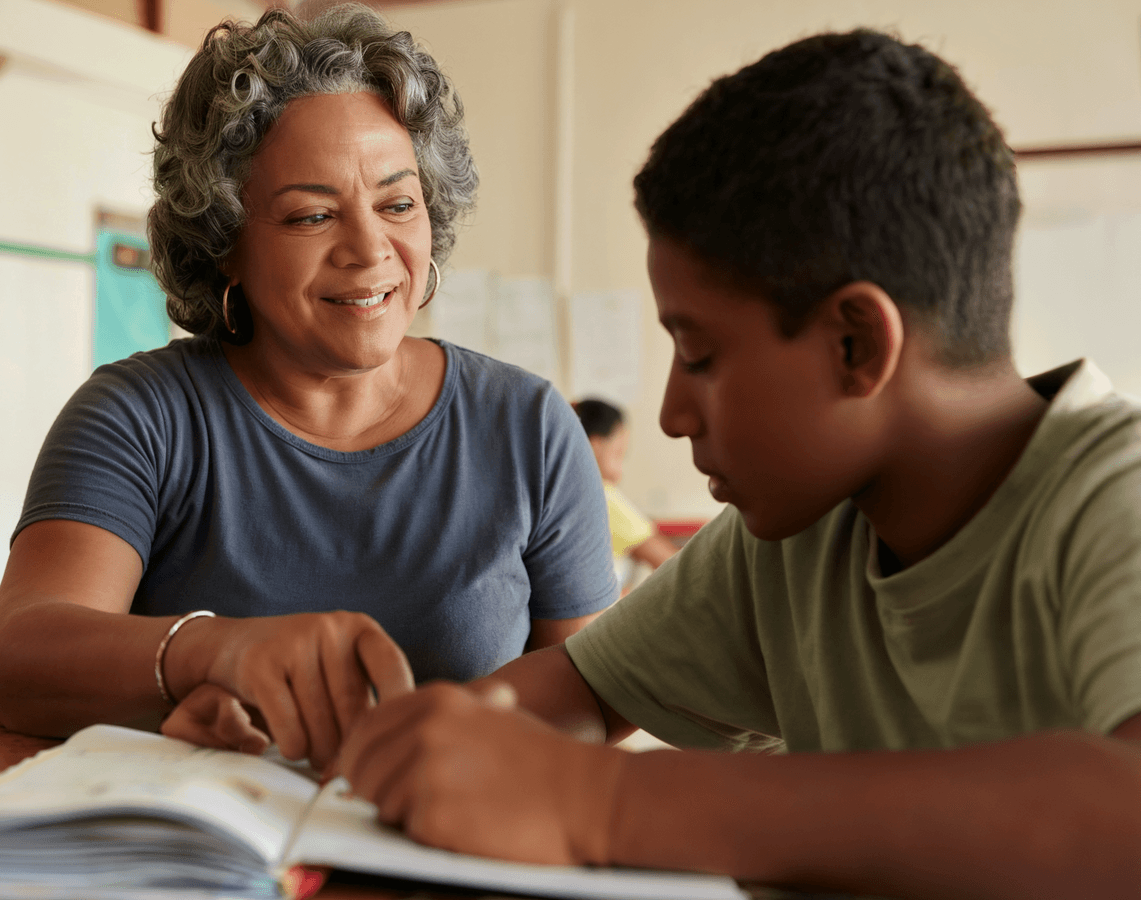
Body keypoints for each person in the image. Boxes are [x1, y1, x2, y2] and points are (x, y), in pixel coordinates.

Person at [335, 29, 1141, 899]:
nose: (676, 413)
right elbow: (583, 690)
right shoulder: (793, 537)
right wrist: (402, 742)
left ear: (855, 343)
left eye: (701, 355)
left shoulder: (1112, 500)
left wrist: (604, 804)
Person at [0, 4, 616, 771]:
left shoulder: (527, 425)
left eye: (397, 203)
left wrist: (428, 742)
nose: (369, 249)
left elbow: (598, 699)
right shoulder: (138, 415)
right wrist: (213, 651)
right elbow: (20, 658)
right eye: (312, 215)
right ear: (224, 246)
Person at [573, 398, 678, 590]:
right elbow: (673, 565)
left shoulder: (558, 492)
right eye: (618, 453)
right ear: (595, 446)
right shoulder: (602, 496)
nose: (620, 471)